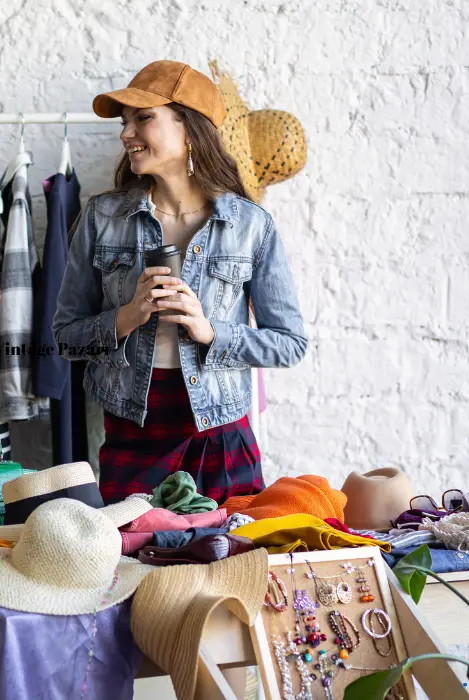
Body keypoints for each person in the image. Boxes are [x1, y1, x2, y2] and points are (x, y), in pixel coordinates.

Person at [53, 60, 307, 506]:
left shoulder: (250, 225)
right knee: (134, 550)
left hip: (220, 433)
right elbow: (65, 337)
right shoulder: (102, 217)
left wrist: (210, 332)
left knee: (229, 548)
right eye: (124, 121)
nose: (126, 133)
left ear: (189, 128)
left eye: (143, 118)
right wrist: (126, 317)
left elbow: (290, 344)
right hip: (133, 432)